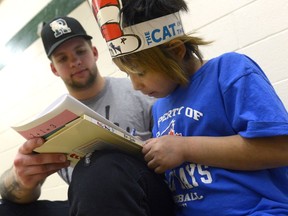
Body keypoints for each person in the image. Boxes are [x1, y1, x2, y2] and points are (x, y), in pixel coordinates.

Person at [88, 0, 288, 215]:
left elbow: (280, 149)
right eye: (128, 75)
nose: (135, 85)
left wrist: (185, 148)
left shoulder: (229, 71)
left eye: (141, 72)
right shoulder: (159, 107)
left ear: (176, 50)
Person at [0, 16, 175, 216]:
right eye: (62, 58)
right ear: (54, 69)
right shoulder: (48, 124)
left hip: (146, 198)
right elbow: (10, 192)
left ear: (94, 52)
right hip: (87, 205)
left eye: (80, 51)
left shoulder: (142, 93)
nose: (75, 62)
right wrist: (21, 179)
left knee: (99, 166)